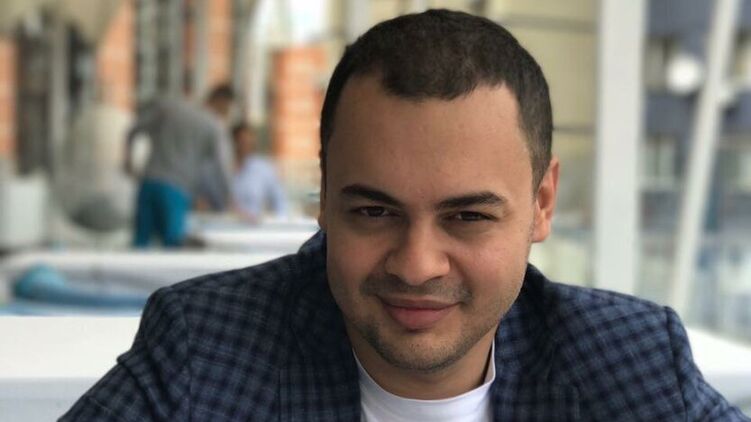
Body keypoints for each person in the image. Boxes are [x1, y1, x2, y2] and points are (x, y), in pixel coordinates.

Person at [63, 10, 749, 421]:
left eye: (468, 217)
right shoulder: (205, 348)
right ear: (325, 195)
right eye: (373, 210)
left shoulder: (632, 362)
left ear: (542, 204)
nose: (417, 265)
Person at [124, 85, 235, 247]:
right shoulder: (213, 126)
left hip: (149, 181)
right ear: (222, 102)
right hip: (177, 189)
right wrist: (228, 201)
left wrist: (128, 162)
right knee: (173, 246)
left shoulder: (171, 109)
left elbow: (133, 131)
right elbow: (221, 169)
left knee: (140, 242)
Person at [230, 122, 289, 222]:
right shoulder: (222, 169)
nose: (245, 147)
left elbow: (280, 201)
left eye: (249, 143)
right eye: (242, 142)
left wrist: (277, 223)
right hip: (226, 225)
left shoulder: (264, 169)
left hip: (254, 226)